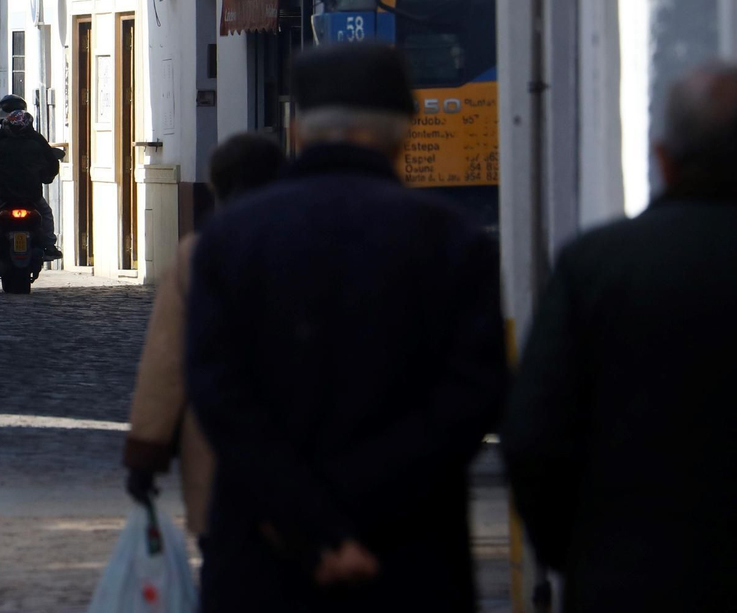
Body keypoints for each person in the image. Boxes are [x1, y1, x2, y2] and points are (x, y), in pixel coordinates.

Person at [187, 42, 506, 611]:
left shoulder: (233, 238)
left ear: (297, 130)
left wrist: (312, 524)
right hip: (408, 555)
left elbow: (220, 395)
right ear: (405, 131)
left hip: (267, 553)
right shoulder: (451, 239)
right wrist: (362, 517)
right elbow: (471, 397)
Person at [501, 61, 737, 613]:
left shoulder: (597, 265)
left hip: (631, 577)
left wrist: (575, 553)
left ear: (664, 158)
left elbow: (534, 436)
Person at [123, 132, 286, 545]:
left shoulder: (201, 252)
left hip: (222, 447)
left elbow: (166, 361)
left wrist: (147, 454)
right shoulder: (312, 240)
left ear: (218, 186)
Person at [0, 95, 62, 257]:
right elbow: (51, 163)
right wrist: (46, 177)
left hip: (3, 191)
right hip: (31, 192)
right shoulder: (36, 140)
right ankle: (50, 245)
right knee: (46, 212)